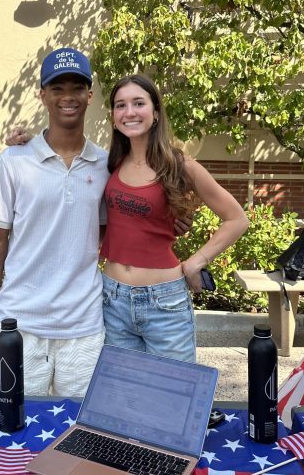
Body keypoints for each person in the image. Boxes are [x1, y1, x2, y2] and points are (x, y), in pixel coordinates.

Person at [0, 47, 110, 397]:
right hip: (19, 325)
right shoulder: (14, 160)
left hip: (84, 330)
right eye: (57, 87)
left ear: (90, 95)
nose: (68, 96)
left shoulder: (106, 164)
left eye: (77, 87)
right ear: (43, 95)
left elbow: (113, 232)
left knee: (81, 438)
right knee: (7, 430)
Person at [100, 73, 249, 362]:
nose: (129, 112)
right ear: (113, 115)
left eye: (138, 103)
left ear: (155, 113)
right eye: (120, 105)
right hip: (113, 300)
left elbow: (236, 219)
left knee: (170, 397)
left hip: (164, 302)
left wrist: (196, 262)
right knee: (123, 397)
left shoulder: (180, 165)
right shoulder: (111, 162)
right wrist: (27, 141)